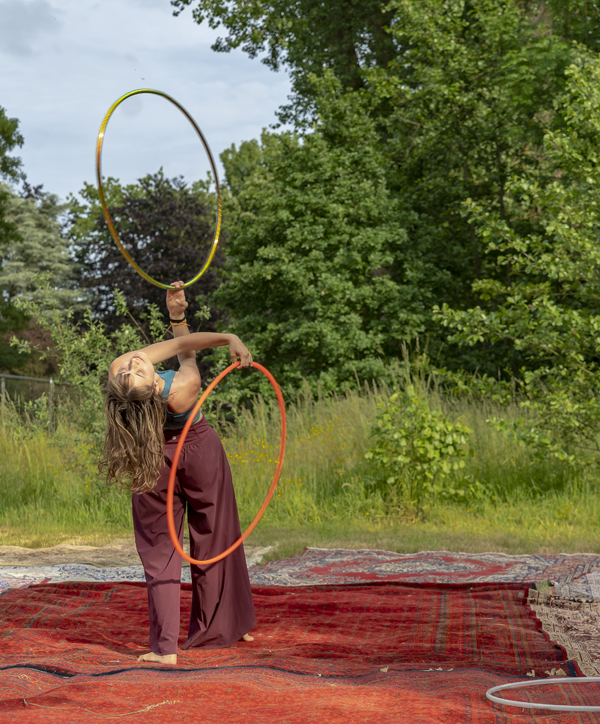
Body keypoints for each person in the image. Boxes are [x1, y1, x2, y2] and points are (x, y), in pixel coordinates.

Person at [102, 281, 255, 665]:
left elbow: (171, 346)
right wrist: (230, 338)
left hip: (149, 453)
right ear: (154, 389)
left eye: (129, 370)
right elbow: (185, 351)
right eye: (134, 372)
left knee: (162, 547)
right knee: (213, 535)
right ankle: (213, 631)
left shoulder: (119, 372)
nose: (133, 364)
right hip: (196, 449)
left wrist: (176, 314)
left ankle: (165, 647)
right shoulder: (182, 388)